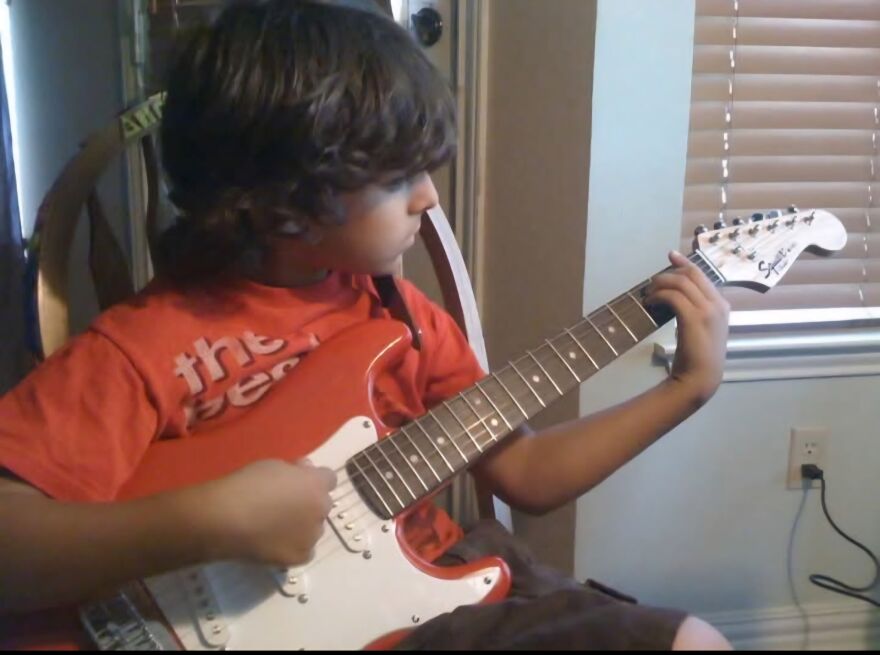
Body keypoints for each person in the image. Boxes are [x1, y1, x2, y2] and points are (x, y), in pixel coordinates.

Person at [0, 0, 731, 649]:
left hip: (439, 602)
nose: (429, 199)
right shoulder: (139, 347)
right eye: (397, 178)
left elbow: (526, 472)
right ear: (283, 200)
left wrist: (685, 389)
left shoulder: (404, 319)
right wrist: (202, 520)